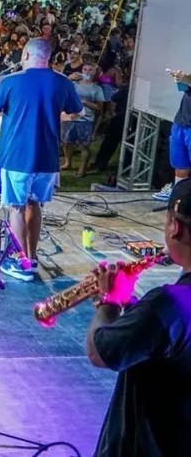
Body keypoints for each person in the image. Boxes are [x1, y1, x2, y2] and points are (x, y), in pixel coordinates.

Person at [86, 177, 191, 456]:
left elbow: (101, 352)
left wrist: (109, 302)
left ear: (175, 227)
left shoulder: (166, 303)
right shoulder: (163, 307)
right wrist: (133, 305)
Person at [0, 38, 82, 282]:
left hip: (17, 155)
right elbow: (76, 112)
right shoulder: (63, 82)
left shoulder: (11, 81)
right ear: (48, 57)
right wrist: (55, 116)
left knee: (16, 207)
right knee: (34, 204)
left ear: (26, 55)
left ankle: (21, 263)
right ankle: (33, 255)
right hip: (47, 157)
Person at [154, 68, 191, 201]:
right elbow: (184, 87)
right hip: (181, 123)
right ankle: (177, 195)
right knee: (180, 165)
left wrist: (185, 79)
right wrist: (180, 79)